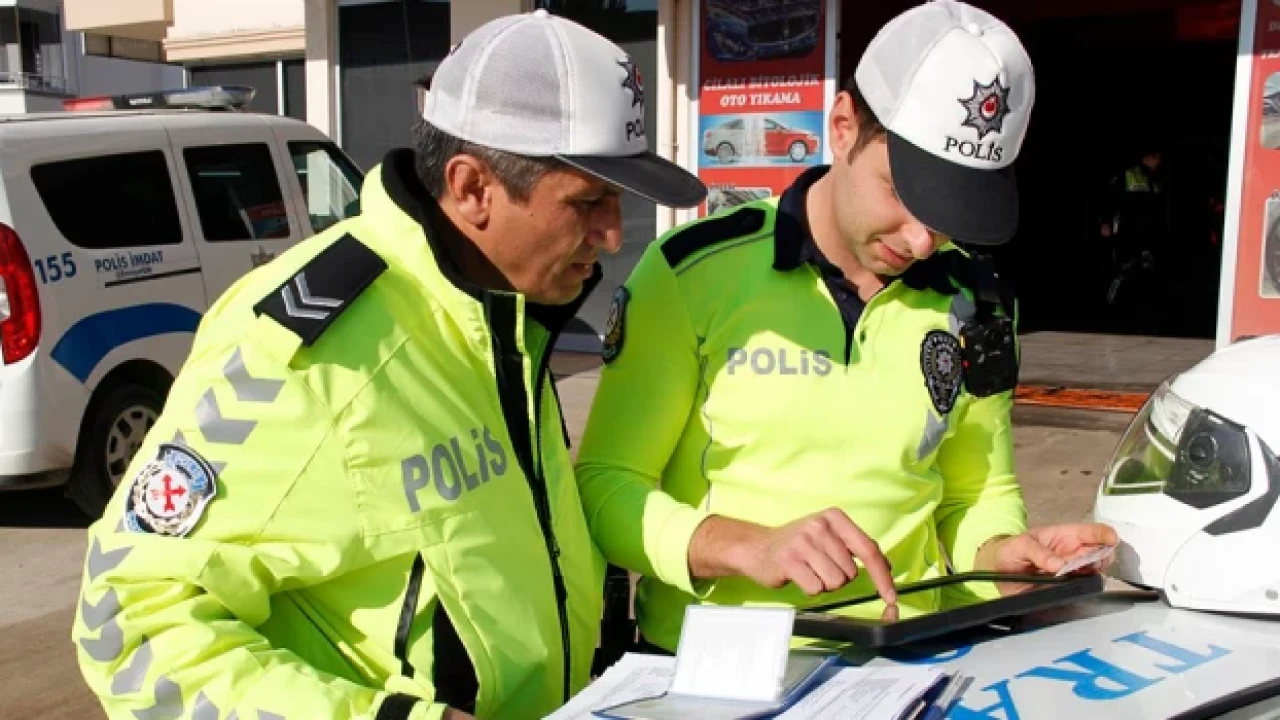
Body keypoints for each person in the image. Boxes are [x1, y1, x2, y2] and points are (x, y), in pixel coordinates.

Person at [71, 10, 705, 720]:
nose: (614, 235)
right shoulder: (315, 353)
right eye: (588, 202)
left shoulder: (509, 316)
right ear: (471, 188)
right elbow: (128, 625)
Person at [575, 0, 1118, 656]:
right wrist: (744, 545)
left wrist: (1002, 557)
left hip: (909, 658)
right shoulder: (692, 272)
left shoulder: (980, 302)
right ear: (841, 127)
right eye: (904, 193)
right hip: (715, 665)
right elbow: (606, 485)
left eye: (951, 211)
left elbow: (978, 491)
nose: (922, 240)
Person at [1100, 144, 1169, 330]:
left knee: (1147, 270)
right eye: (1158, 157)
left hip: (1150, 234)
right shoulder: (1128, 174)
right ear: (1151, 156)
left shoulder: (1157, 179)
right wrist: (1106, 222)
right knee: (1124, 270)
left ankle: (1143, 309)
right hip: (1128, 232)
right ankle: (1111, 306)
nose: (1160, 161)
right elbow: (1109, 199)